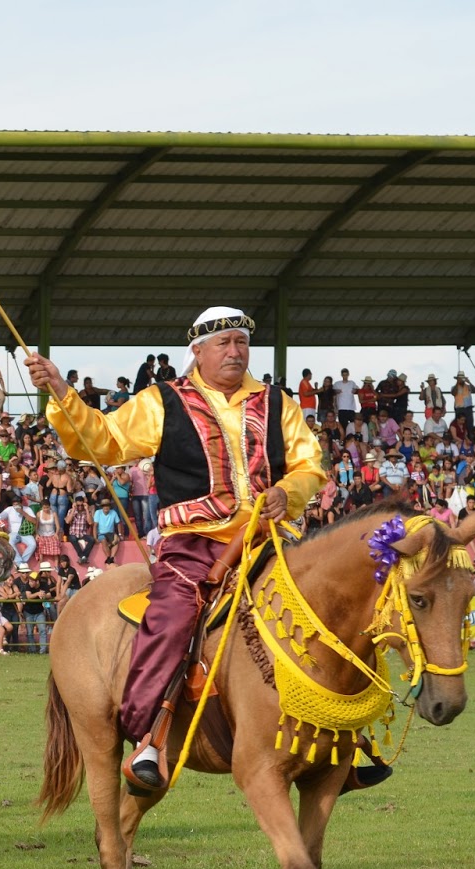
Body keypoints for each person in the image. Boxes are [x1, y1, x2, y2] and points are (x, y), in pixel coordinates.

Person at [25, 304, 324, 797]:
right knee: (171, 616)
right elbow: (100, 441)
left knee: (329, 604)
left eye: (241, 343)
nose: (234, 351)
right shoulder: (162, 401)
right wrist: (60, 390)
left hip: (267, 539)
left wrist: (288, 492)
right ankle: (149, 735)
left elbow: (310, 464)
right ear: (198, 351)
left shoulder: (278, 403)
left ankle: (349, 738)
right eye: (223, 343)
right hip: (193, 542)